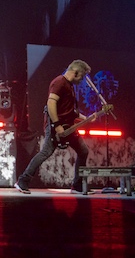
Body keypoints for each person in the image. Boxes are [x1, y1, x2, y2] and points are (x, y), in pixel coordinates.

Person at [15, 60, 93, 194]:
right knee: (45, 152)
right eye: (82, 76)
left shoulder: (69, 86)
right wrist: (57, 125)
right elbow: (51, 103)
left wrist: (88, 118)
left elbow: (71, 111)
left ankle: (77, 185)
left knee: (83, 151)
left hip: (68, 127)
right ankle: (23, 180)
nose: (82, 80)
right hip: (56, 126)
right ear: (75, 72)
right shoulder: (59, 82)